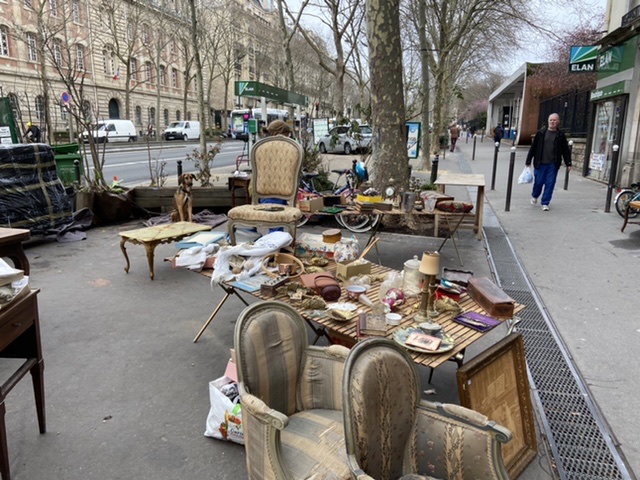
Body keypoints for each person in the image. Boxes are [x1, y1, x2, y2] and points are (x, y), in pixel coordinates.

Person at [525, 113, 572, 211]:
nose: (552, 122)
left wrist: (568, 163)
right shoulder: (541, 133)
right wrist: (528, 160)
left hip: (553, 164)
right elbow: (533, 148)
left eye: (554, 120)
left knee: (550, 184)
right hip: (540, 163)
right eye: (551, 120)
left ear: (558, 122)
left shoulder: (560, 135)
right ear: (548, 121)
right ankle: (535, 195)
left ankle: (545, 202)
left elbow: (565, 150)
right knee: (539, 182)